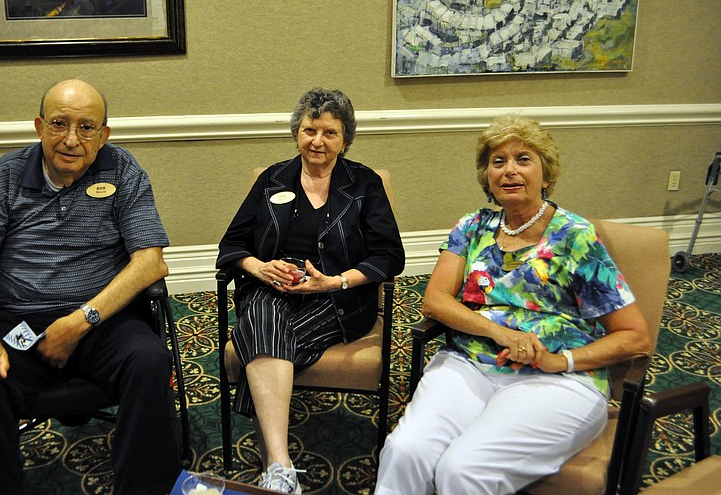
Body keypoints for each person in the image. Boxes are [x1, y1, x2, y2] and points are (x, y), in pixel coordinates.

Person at [374, 115, 652, 495]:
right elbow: (435, 300)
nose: (510, 171)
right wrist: (498, 331)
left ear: (547, 174)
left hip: (556, 379)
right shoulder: (471, 228)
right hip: (469, 363)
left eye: (524, 159)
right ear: (486, 176)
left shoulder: (575, 237)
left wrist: (560, 361)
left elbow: (636, 337)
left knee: (465, 469)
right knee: (405, 451)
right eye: (498, 161)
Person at [0, 79, 180, 494]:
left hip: (100, 316)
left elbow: (150, 263)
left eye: (87, 127)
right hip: (18, 317)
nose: (72, 139)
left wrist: (79, 322)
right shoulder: (5, 176)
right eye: (59, 124)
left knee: (148, 361)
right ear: (39, 126)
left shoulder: (123, 170)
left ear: (104, 135)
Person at [217, 87, 405, 494]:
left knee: (258, 334)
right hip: (271, 290)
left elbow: (390, 256)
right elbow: (231, 245)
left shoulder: (364, 184)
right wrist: (259, 267)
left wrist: (334, 281)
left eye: (329, 133)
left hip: (337, 298)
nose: (317, 141)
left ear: (344, 139)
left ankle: (273, 466)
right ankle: (283, 466)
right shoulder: (272, 179)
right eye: (309, 130)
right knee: (264, 315)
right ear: (296, 133)